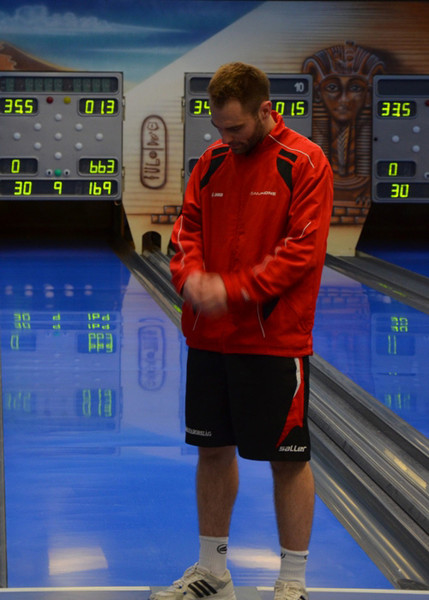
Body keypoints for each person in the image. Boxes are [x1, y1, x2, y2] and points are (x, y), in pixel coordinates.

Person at [150, 62, 333, 600]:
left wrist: (232, 289)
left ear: (265, 110)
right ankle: (213, 572)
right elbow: (186, 231)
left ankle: (293, 582)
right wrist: (190, 278)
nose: (226, 137)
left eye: (236, 128)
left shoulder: (305, 162)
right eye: (219, 127)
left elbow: (302, 251)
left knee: (288, 459)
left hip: (274, 339)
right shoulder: (211, 164)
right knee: (212, 450)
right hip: (210, 337)